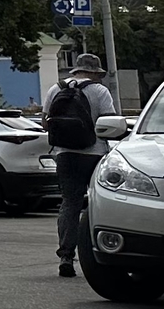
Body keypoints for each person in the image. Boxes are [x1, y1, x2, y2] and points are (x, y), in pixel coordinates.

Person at [48, 52, 117, 278]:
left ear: (76, 70)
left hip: (65, 154)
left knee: (70, 202)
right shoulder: (99, 91)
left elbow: (44, 121)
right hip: (94, 154)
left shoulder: (55, 89)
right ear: (95, 73)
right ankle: (101, 252)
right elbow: (109, 122)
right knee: (98, 203)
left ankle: (66, 256)